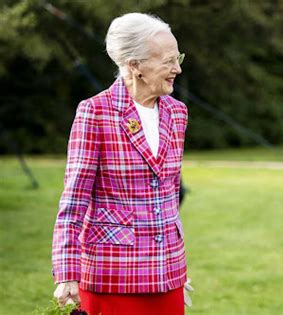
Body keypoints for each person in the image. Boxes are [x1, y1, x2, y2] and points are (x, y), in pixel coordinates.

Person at [51, 13, 191, 315]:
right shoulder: (95, 113)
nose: (177, 68)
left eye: (177, 57)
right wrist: (66, 273)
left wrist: (170, 261)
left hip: (169, 275)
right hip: (114, 275)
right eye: (167, 60)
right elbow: (74, 200)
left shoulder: (178, 112)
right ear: (135, 65)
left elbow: (168, 193)